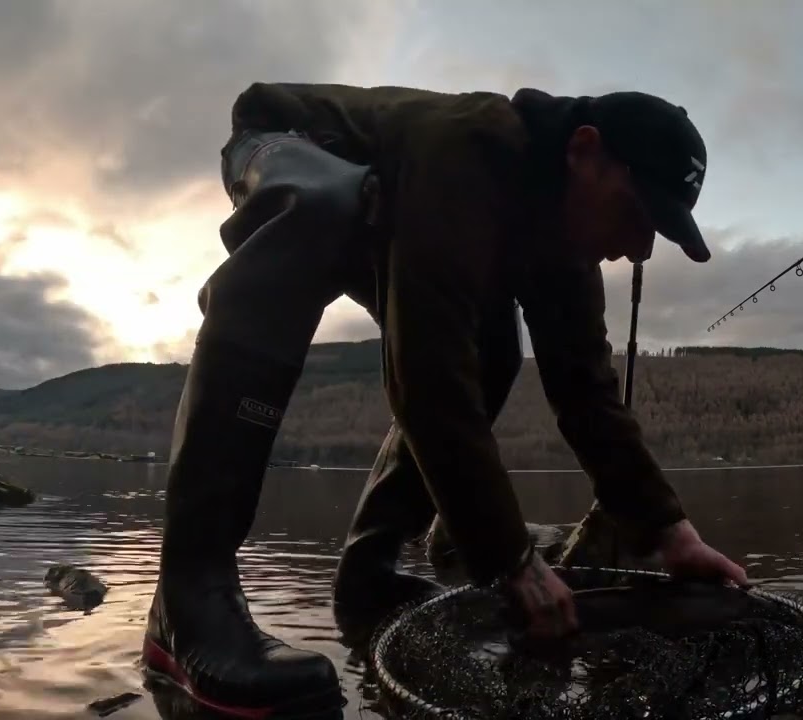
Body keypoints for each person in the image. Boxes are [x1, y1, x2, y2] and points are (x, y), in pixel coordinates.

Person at [141, 81, 750, 717]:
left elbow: (588, 395)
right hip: (287, 141)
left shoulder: (567, 249)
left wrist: (668, 530)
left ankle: (368, 573)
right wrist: (511, 559)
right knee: (319, 206)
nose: (639, 246)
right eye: (635, 212)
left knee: (492, 356)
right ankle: (189, 598)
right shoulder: (474, 146)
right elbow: (427, 371)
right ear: (584, 150)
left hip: (394, 209)